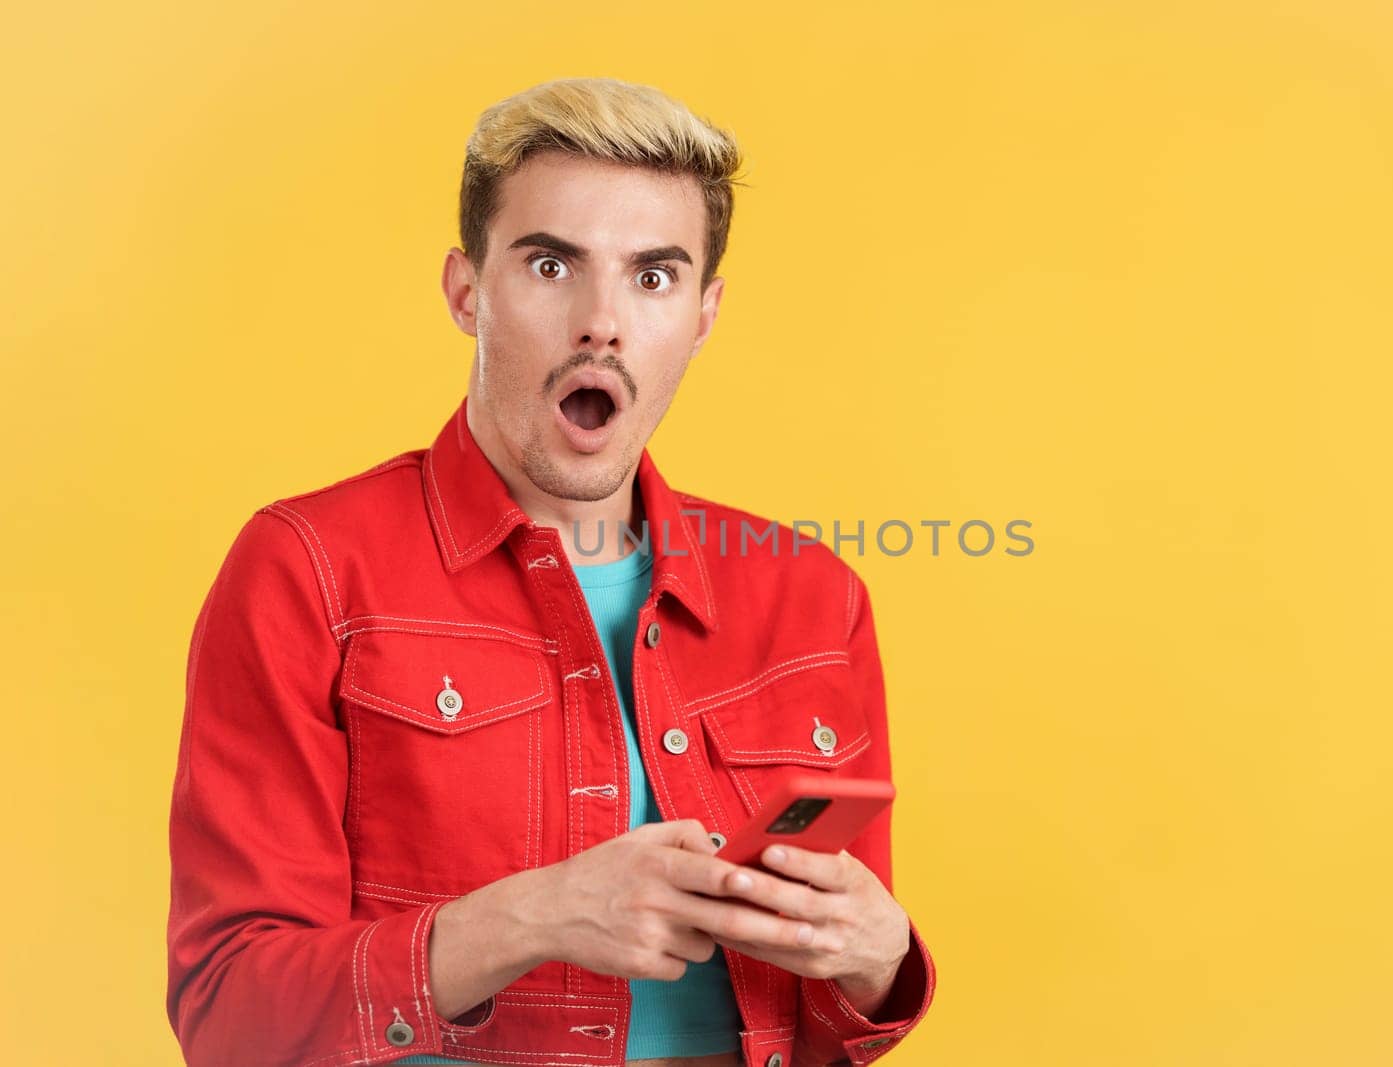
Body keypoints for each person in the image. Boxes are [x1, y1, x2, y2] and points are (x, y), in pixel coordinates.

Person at [165, 77, 935, 1067]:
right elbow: (232, 1019)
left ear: (702, 314)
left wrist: (879, 960)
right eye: (549, 264)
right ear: (466, 290)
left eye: (652, 277)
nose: (602, 323)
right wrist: (526, 918)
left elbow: (836, 1020)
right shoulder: (305, 568)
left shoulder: (812, 596)